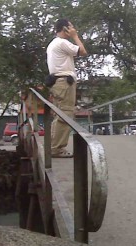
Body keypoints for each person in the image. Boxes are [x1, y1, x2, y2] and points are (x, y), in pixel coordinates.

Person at [46, 19, 87, 158]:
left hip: (57, 83)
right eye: (71, 27)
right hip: (64, 83)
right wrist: (75, 36)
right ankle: (56, 149)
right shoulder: (62, 42)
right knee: (65, 115)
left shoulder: (53, 44)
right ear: (65, 28)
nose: (74, 28)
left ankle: (53, 146)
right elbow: (82, 51)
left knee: (59, 115)